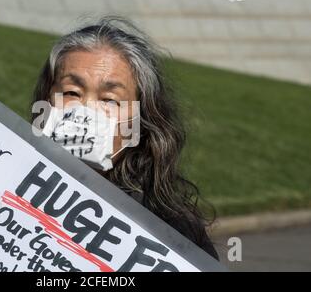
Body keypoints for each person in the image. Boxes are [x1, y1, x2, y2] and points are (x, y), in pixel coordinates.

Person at [31, 16, 219, 260]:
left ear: (138, 122)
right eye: (71, 92)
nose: (86, 110)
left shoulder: (172, 233)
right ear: (45, 103)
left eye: (110, 99)